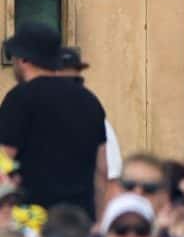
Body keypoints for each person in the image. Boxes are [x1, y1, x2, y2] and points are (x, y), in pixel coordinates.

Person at [0, 23, 109, 213]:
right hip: (79, 219)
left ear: (24, 59)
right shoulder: (90, 100)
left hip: (32, 221)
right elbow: (102, 170)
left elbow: (3, 161)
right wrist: (99, 221)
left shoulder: (20, 98)